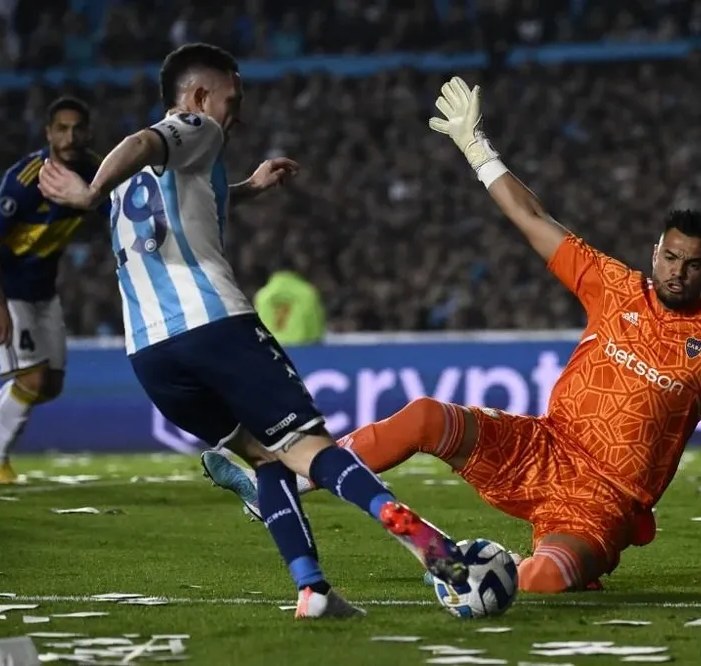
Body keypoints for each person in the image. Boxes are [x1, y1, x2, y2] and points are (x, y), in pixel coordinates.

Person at [200, 76, 701, 594]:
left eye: (695, 265)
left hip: (606, 502)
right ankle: (287, 483)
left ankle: (499, 575)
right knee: (428, 417)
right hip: (543, 448)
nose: (679, 272)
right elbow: (533, 218)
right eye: (670, 256)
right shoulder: (613, 284)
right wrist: (476, 148)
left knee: (547, 581)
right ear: (655, 249)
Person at [37, 44, 468, 618]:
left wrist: (246, 186)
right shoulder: (192, 126)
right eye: (231, 100)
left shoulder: (134, 180)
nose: (236, 113)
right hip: (215, 326)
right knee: (310, 447)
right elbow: (146, 140)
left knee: (266, 458)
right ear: (196, 97)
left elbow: (186, 197)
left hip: (149, 354)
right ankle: (419, 537)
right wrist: (86, 191)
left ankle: (311, 588)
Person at [0, 96, 104, 485]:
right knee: (30, 380)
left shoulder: (95, 172)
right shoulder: (27, 179)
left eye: (77, 128)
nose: (70, 136)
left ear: (88, 132)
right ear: (48, 133)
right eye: (61, 128)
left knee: (49, 386)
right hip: (7, 289)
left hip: (43, 291)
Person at [254, 268, 326, 345]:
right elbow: (316, 330)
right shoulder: (307, 293)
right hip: (302, 351)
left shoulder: (262, 295)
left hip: (271, 351)